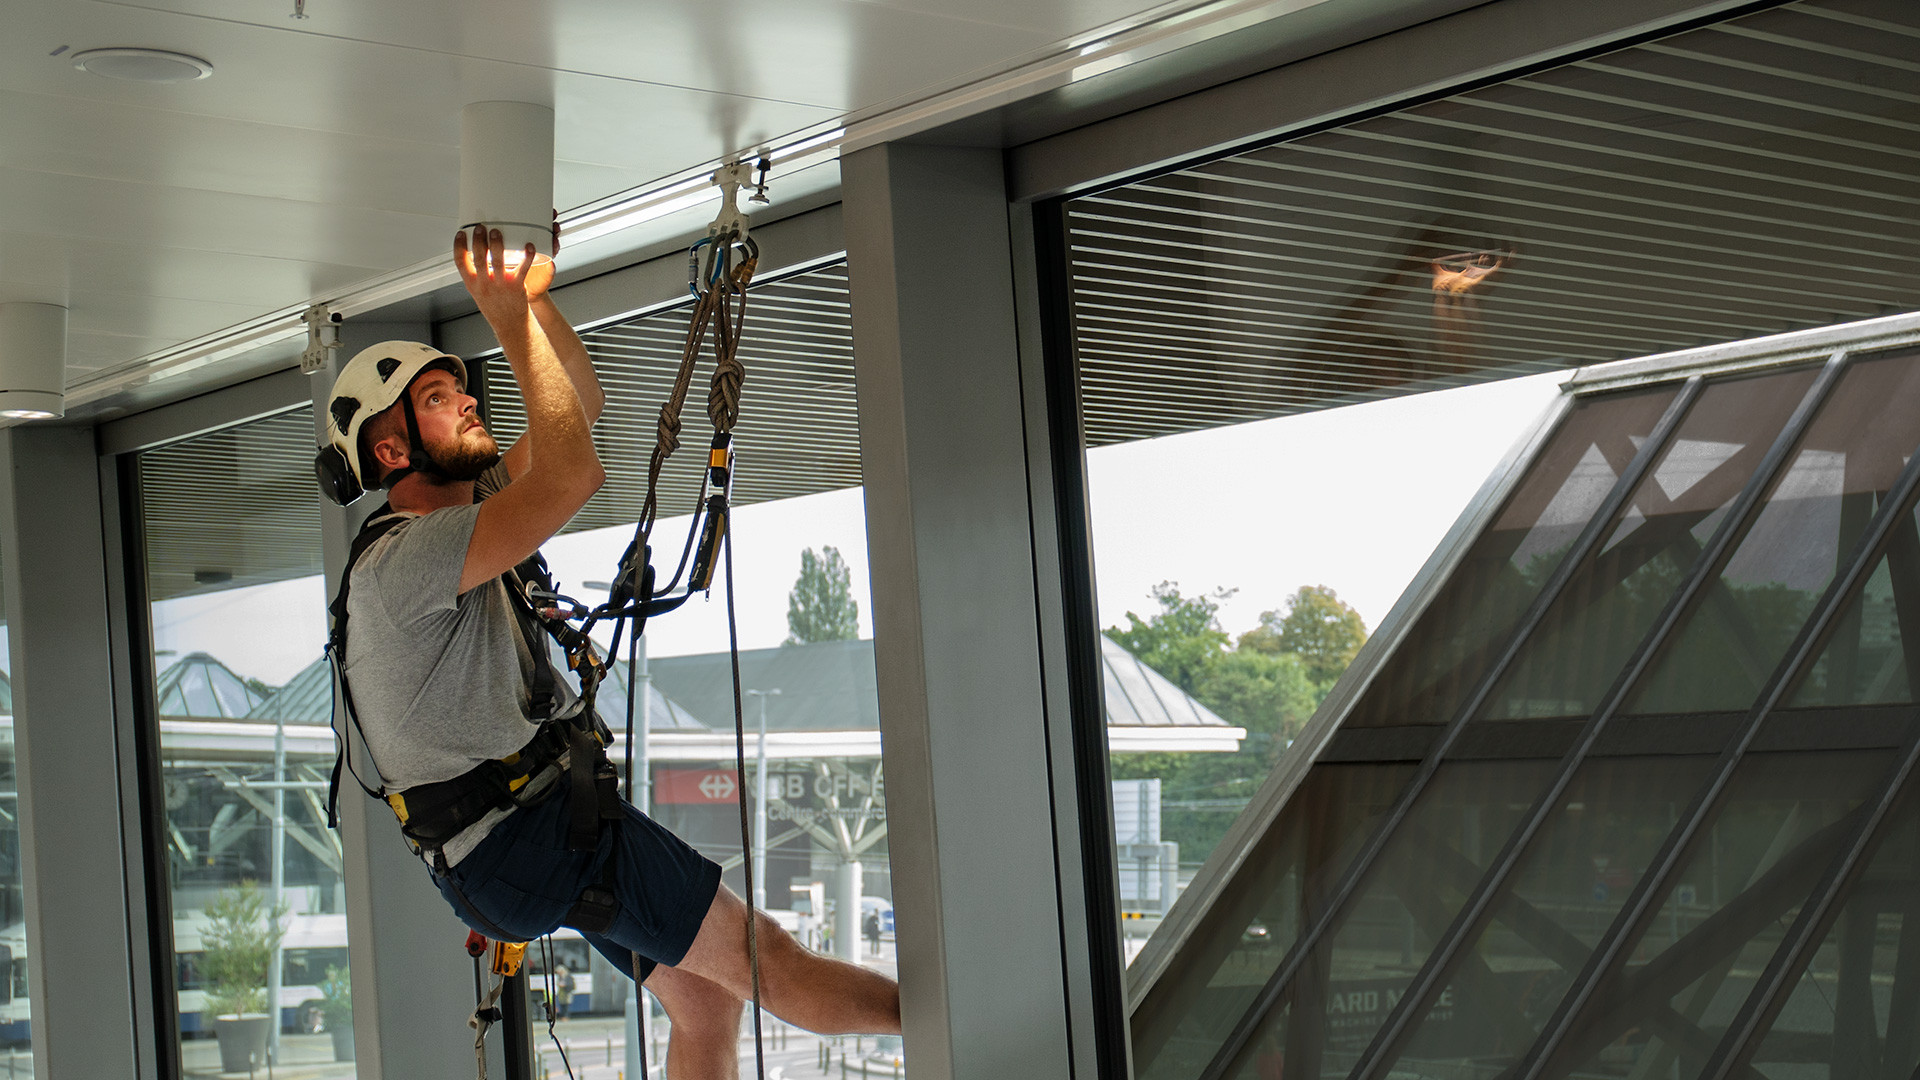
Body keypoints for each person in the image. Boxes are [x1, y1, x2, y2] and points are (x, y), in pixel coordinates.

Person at [320, 225, 900, 1078]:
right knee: (767, 959)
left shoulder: (458, 520)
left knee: (707, 998)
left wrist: (534, 304)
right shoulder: (409, 559)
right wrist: (506, 319)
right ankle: (962, 1011)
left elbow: (576, 409)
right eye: (441, 396)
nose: (471, 399)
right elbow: (570, 477)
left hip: (513, 844)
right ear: (392, 448)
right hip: (532, 836)